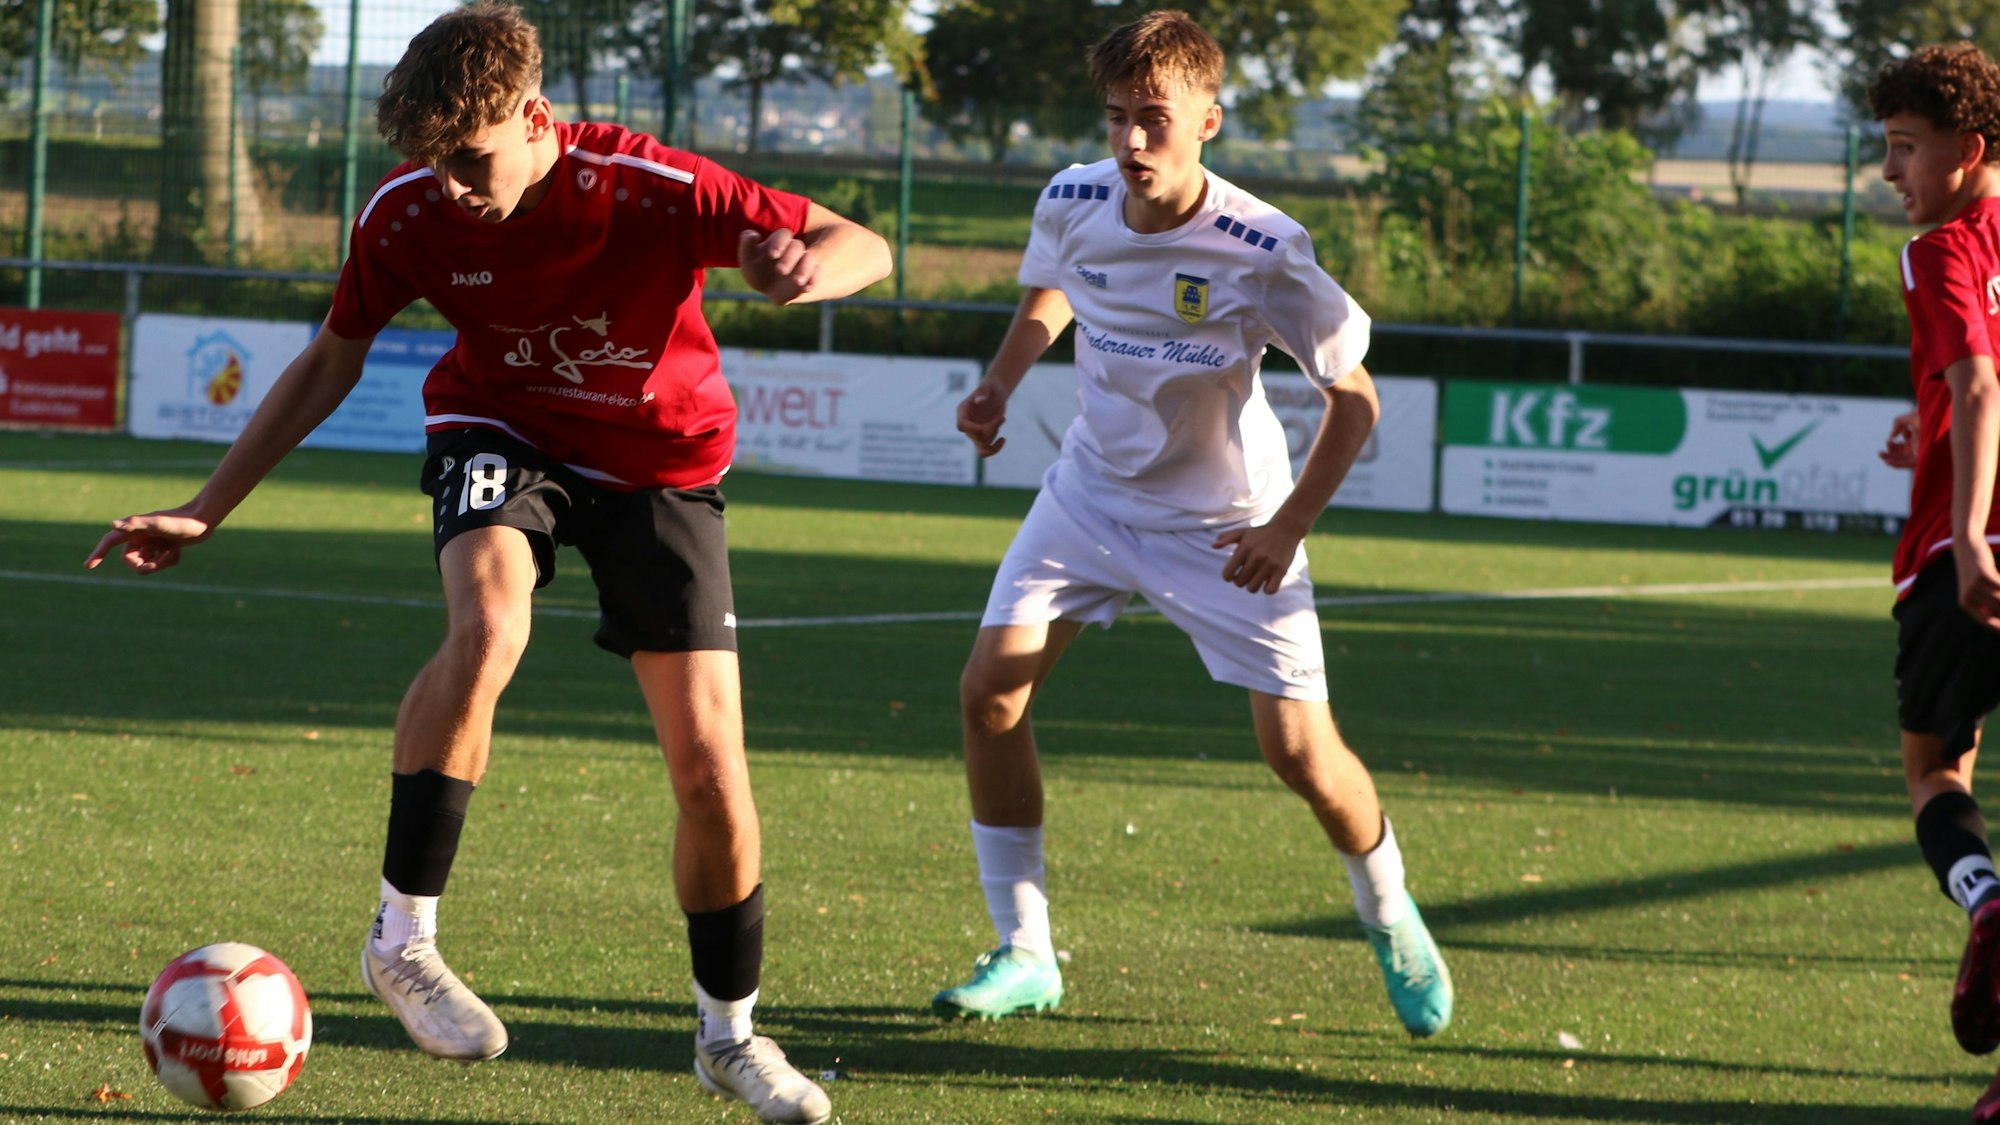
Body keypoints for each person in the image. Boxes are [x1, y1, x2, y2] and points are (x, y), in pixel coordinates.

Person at [84, 7, 889, 1122]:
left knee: (710, 773)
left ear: (535, 116)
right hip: (499, 435)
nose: (452, 187)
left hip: (662, 472)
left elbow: (864, 241)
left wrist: (806, 270)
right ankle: (402, 941)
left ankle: (727, 1038)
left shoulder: (647, 186)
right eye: (431, 162)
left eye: (472, 159)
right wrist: (208, 507)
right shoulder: (409, 214)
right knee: (490, 624)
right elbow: (332, 356)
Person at [930, 9, 1452, 1039]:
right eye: (1116, 116)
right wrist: (999, 382)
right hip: (1088, 494)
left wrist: (1286, 528)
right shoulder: (1073, 196)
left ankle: (1390, 913)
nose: (1130, 142)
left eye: (1153, 120)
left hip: (1227, 527)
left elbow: (1354, 402)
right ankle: (1025, 950)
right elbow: (1053, 289)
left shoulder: (1264, 246)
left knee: (1299, 753)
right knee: (988, 695)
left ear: (1207, 121)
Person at [1869, 41, 2000, 1124]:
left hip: (1960, 564)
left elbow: (1977, 376)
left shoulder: (1938, 247)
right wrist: (1929, 424)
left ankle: (1982, 898)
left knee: (1933, 774)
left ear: (1967, 151)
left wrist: (1965, 534)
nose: (1888, 173)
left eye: (1903, 149)